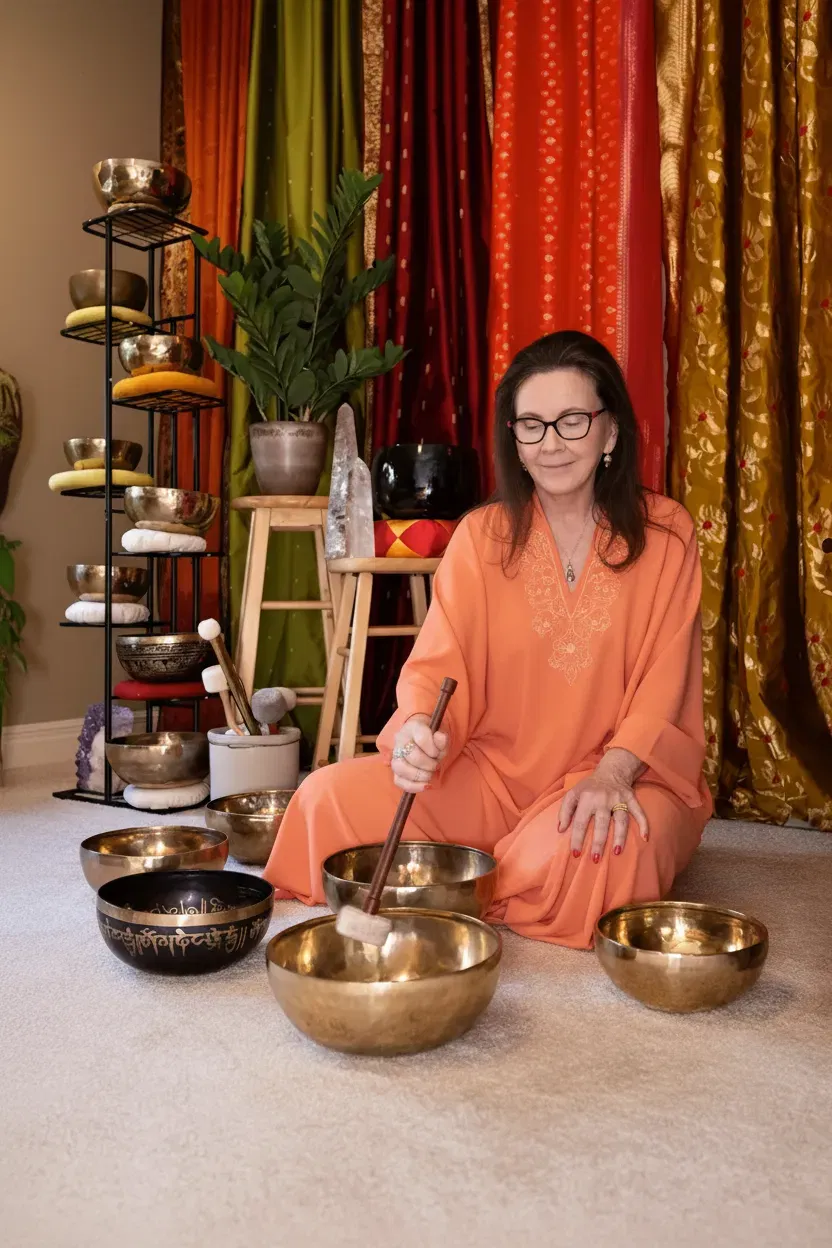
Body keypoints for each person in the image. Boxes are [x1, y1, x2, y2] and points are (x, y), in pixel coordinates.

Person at [263, 330, 712, 948]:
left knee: (611, 846)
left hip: (619, 778)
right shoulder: (481, 536)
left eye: (572, 421)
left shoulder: (668, 534)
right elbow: (439, 664)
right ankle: (493, 872)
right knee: (323, 800)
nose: (551, 444)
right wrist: (419, 729)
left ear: (611, 432)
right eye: (531, 425)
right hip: (491, 778)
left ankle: (465, 880)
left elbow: (668, 684)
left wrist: (611, 775)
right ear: (515, 441)